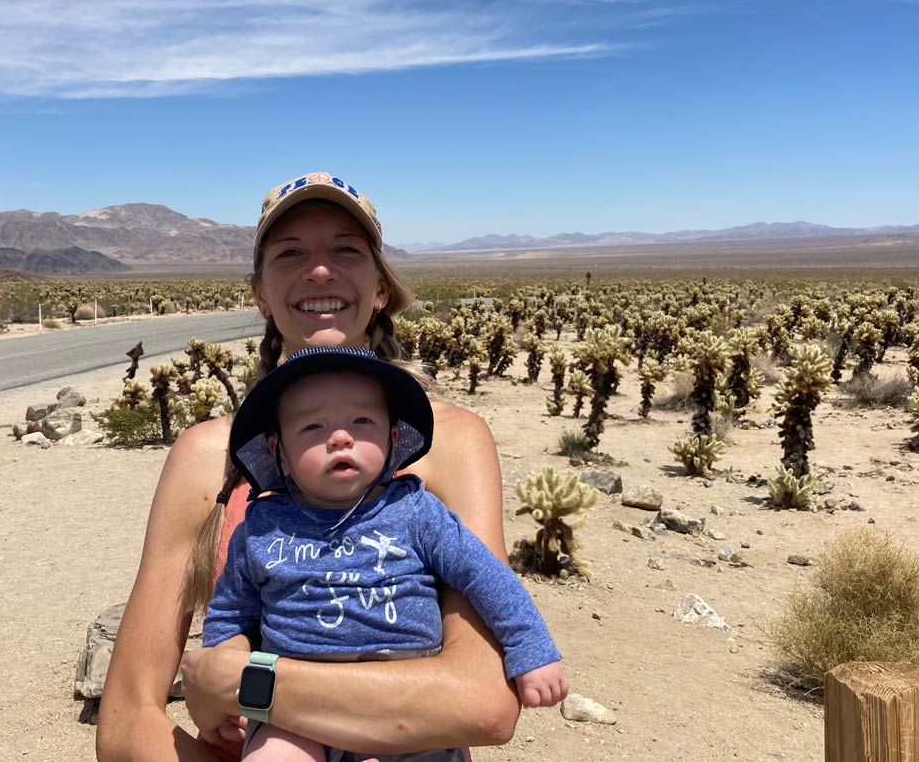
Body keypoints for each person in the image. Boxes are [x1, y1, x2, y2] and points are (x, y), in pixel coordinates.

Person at [97, 173, 523, 762]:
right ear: (260, 293)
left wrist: (246, 684)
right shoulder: (207, 456)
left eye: (346, 250)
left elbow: (481, 702)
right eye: (290, 253)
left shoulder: (448, 442)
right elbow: (127, 722)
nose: (319, 270)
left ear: (380, 288)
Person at [205, 346, 568, 761]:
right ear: (278, 452)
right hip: (294, 712)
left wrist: (530, 649)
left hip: (407, 702)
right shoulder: (260, 528)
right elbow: (230, 614)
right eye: (312, 427)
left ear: (392, 439)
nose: (340, 437)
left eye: (362, 421)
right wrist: (223, 680)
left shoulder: (415, 512)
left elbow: (485, 576)